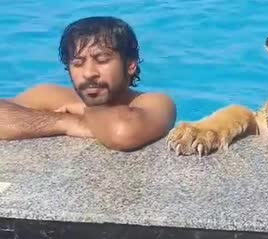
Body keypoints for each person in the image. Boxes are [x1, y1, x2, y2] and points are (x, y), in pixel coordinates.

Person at [0, 16, 176, 151]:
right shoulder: (51, 95)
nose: (89, 73)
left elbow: (122, 133)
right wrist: (66, 122)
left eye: (102, 60)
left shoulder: (156, 103)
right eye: (77, 63)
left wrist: (85, 111)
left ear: (131, 65)